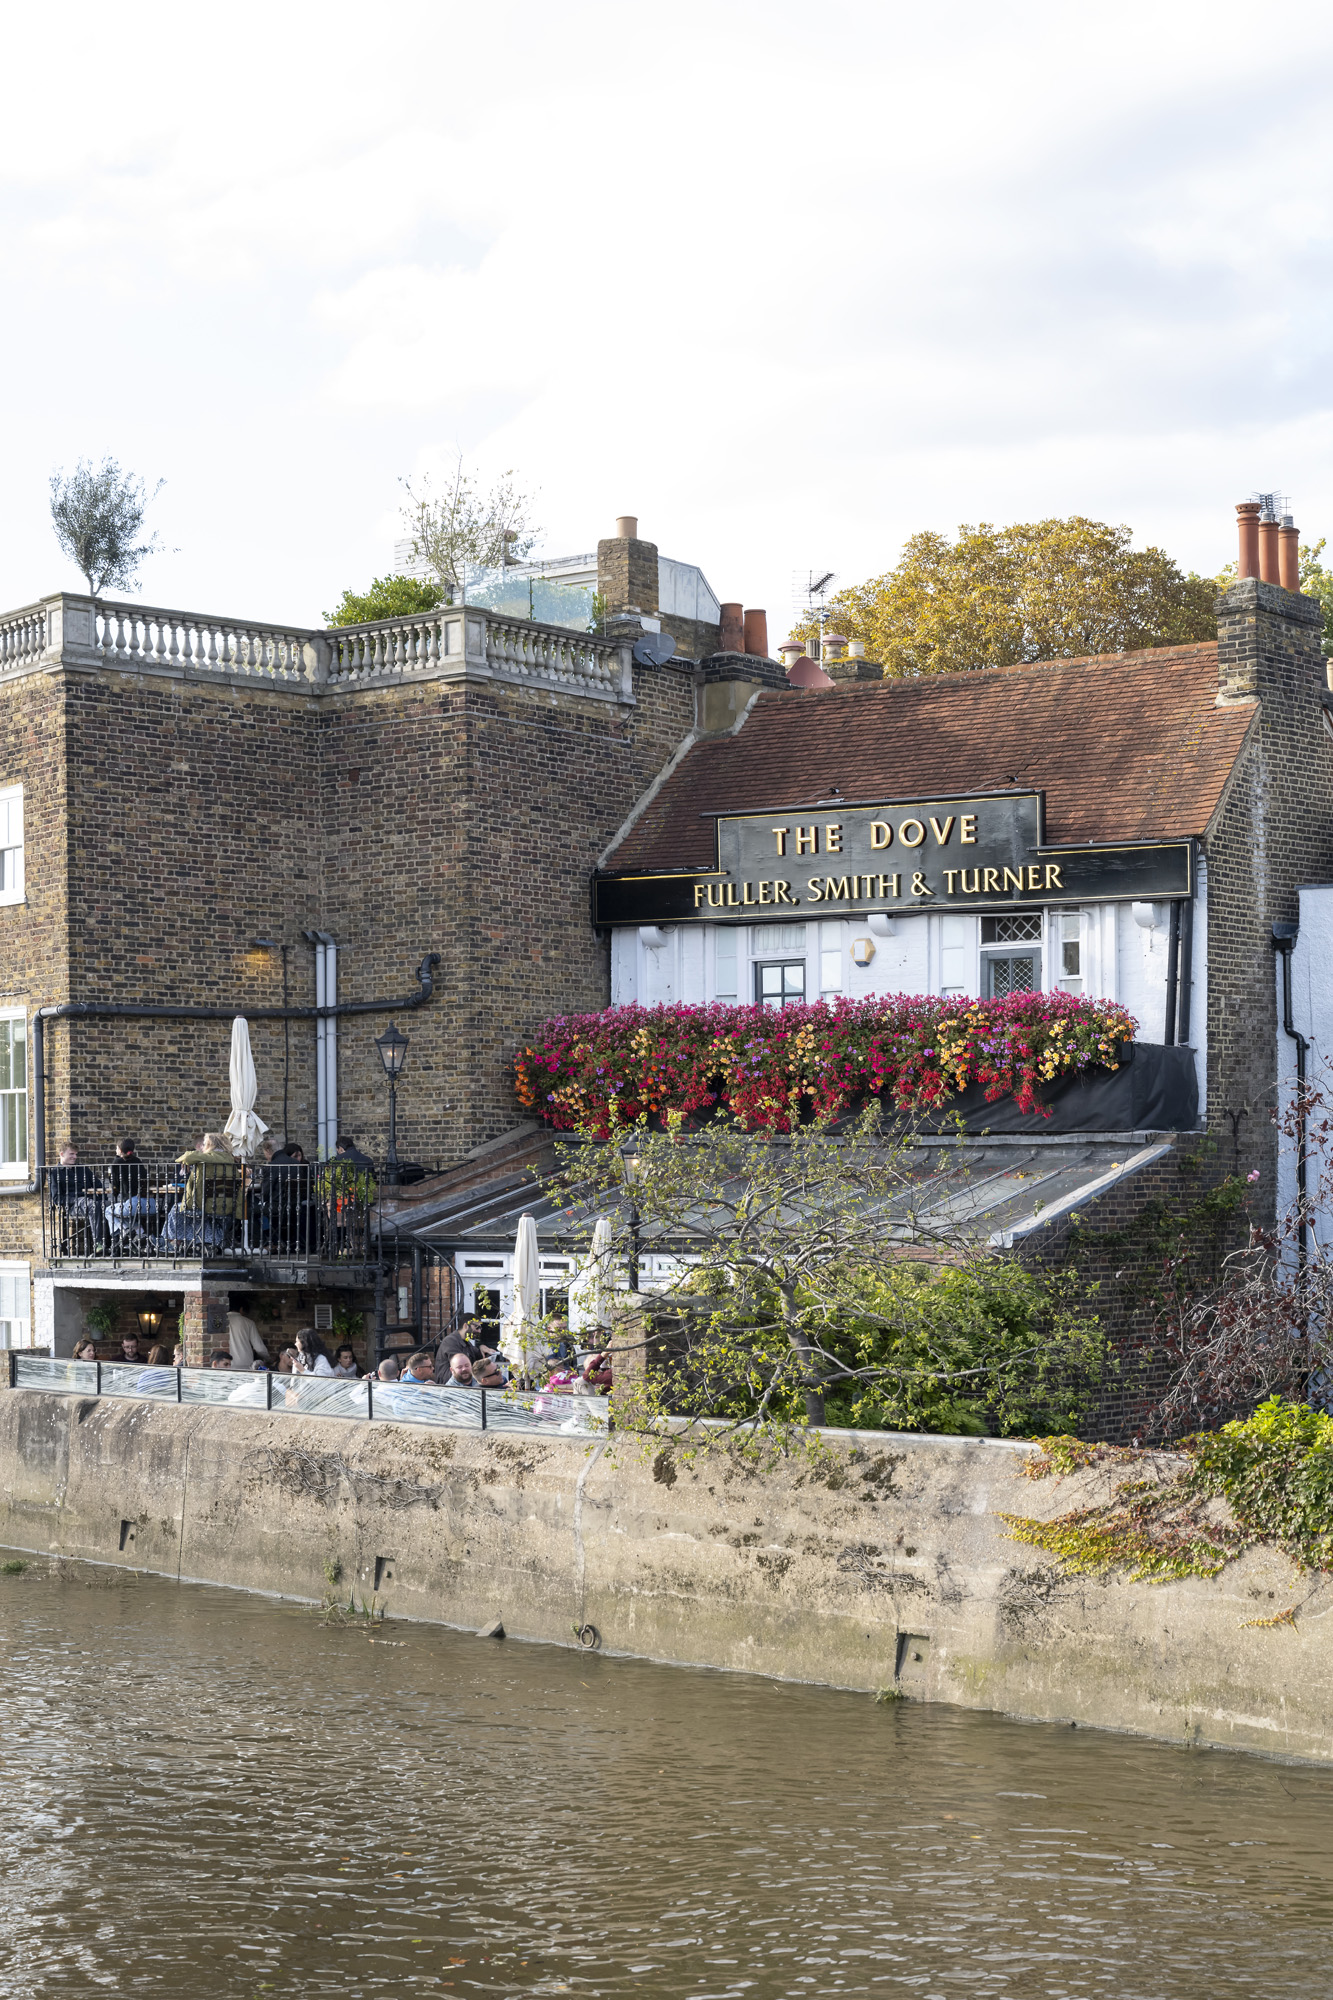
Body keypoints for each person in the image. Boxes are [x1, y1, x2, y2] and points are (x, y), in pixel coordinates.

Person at [162, 1133, 243, 1249]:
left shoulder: (207, 1159)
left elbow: (186, 1157)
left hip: (205, 1206)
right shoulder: (231, 1161)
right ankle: (195, 1241)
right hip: (227, 1207)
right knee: (190, 1212)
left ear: (210, 1144)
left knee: (177, 1209)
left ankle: (172, 1241)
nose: (203, 1146)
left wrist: (189, 1162)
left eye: (205, 1144)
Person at [104, 1138, 156, 1242]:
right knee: (126, 1216)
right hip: (149, 1205)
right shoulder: (137, 1161)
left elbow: (114, 1184)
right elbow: (145, 1178)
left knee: (108, 1211)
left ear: (119, 1149)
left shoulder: (116, 1162)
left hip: (131, 1205)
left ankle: (124, 1233)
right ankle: (139, 1233)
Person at [226, 1293, 269, 1372]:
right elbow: (259, 1347)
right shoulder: (249, 1323)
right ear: (241, 1309)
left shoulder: (222, 1321)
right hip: (245, 1364)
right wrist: (268, 1358)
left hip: (226, 1364)